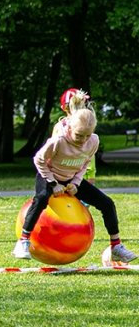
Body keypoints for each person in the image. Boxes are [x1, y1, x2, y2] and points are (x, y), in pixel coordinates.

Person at [13, 105, 137, 262]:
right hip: (49, 176)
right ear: (70, 127)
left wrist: (76, 183)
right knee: (42, 198)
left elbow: (85, 163)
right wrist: (52, 183)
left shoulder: (93, 141)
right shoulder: (58, 141)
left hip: (71, 179)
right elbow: (39, 160)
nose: (83, 140)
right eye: (79, 135)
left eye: (87, 135)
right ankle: (23, 241)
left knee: (107, 203)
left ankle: (116, 247)